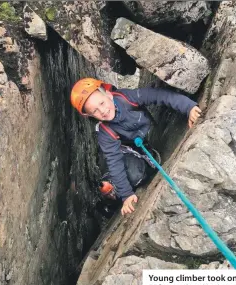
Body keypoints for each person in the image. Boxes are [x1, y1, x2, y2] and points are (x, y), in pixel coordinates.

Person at [70, 78, 201, 216]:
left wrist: (189, 107)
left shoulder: (127, 98)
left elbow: (159, 95)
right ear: (91, 116)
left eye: (102, 103)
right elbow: (114, 161)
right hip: (130, 153)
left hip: (146, 142)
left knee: (131, 171)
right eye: (95, 111)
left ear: (108, 94)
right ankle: (111, 194)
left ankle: (112, 187)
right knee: (132, 173)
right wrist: (126, 195)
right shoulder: (105, 133)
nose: (103, 111)